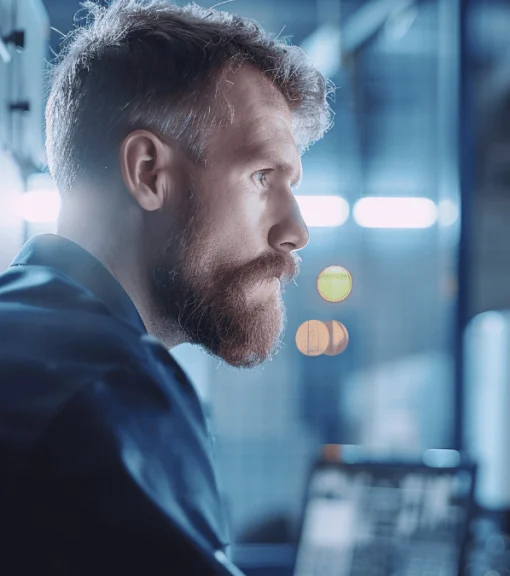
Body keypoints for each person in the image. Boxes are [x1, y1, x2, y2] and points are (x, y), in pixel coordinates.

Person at [0, 1, 331, 573]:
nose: (295, 231)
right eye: (261, 177)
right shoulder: (108, 383)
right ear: (149, 172)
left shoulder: (23, 335)